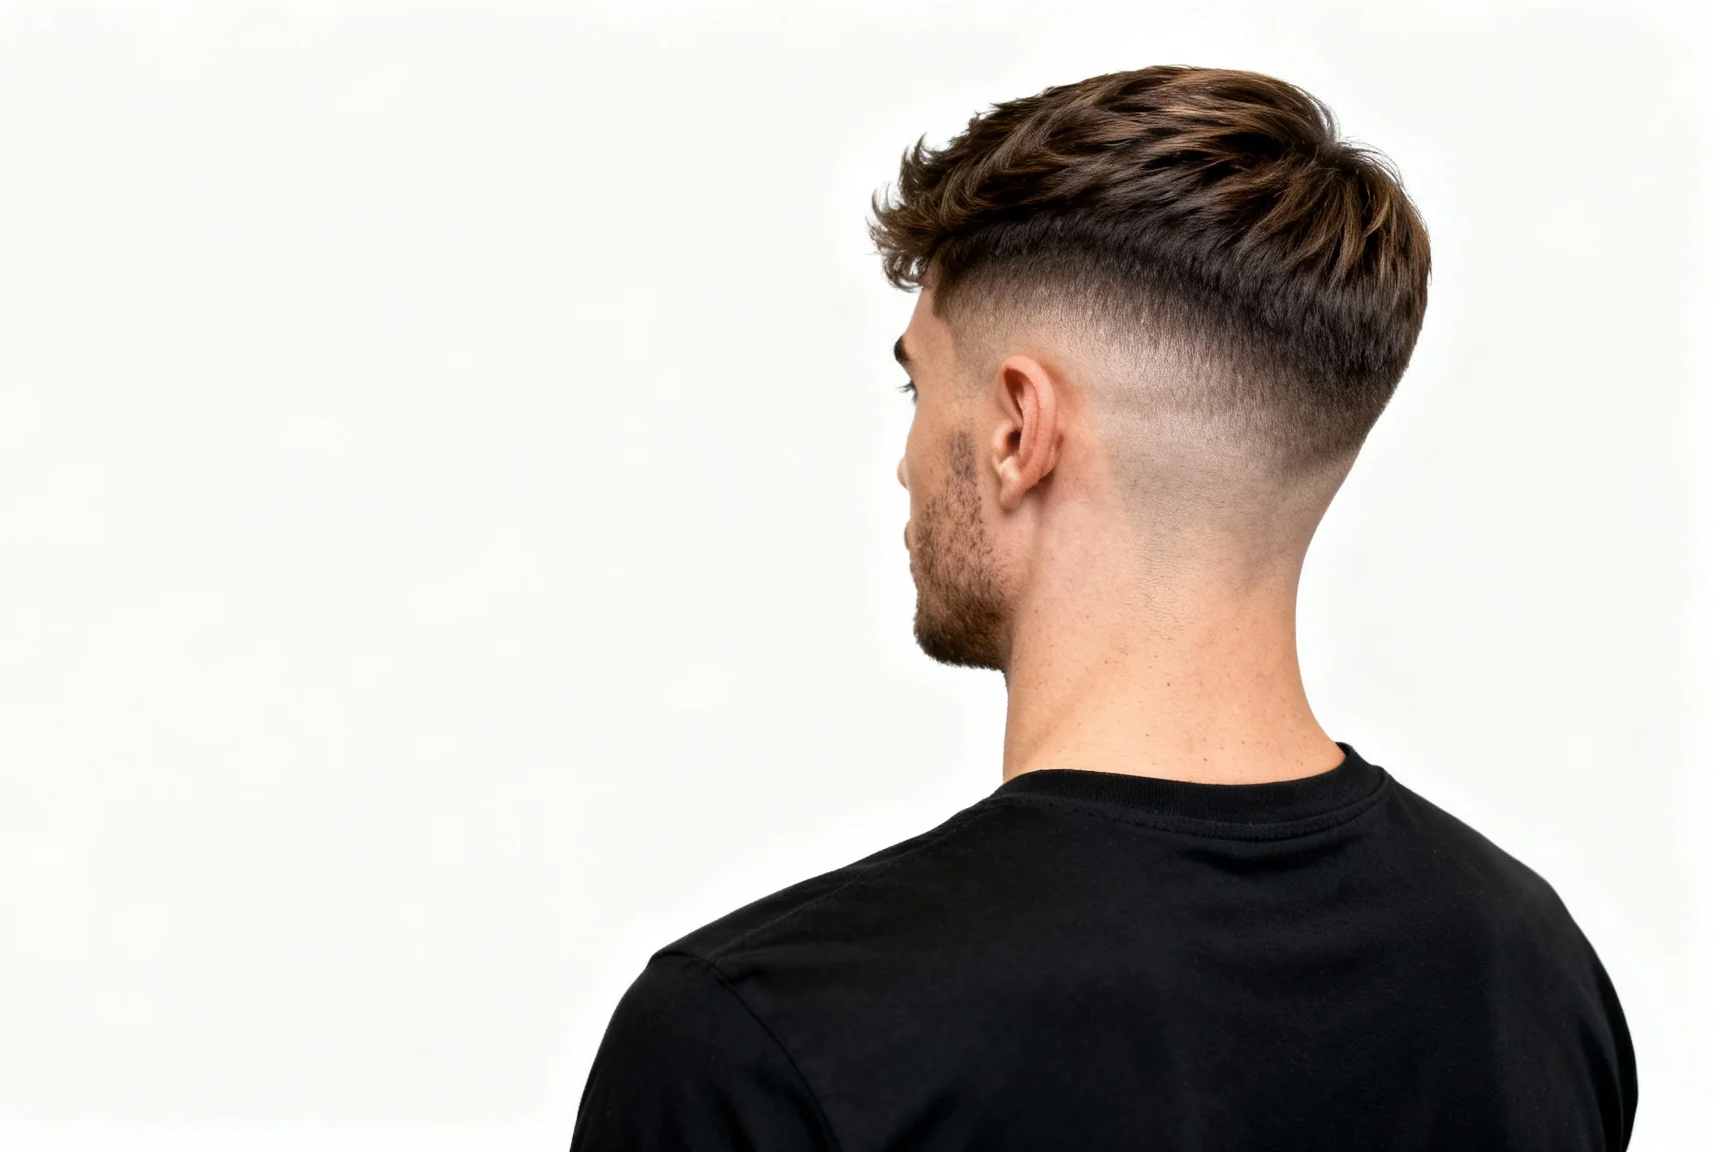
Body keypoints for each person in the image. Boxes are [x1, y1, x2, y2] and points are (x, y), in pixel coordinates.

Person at [568, 66, 1635, 1150]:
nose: (901, 463)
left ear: (1017, 430)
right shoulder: (1532, 974)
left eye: (917, 387)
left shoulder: (758, 1043)